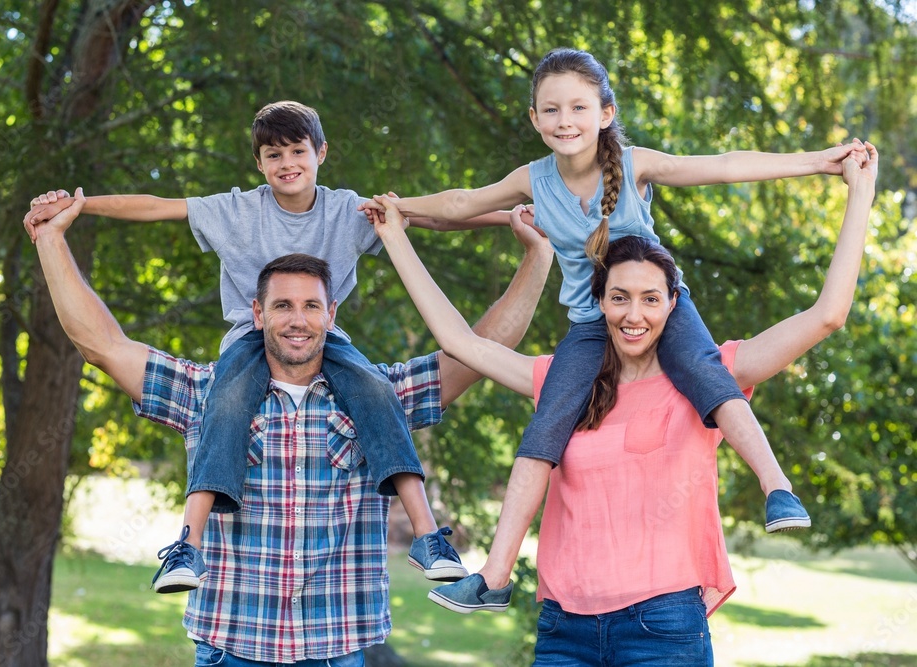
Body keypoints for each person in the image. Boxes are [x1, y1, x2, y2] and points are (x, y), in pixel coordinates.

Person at [369, 143, 876, 664]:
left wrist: (859, 192)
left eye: (651, 299)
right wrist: (395, 237)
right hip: (565, 630)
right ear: (599, 302)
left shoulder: (711, 377)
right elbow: (463, 343)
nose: (634, 315)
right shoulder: (562, 383)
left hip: (663, 628)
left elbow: (827, 315)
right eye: (619, 298)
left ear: (673, 302)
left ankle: (779, 490)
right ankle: (493, 577)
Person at [27, 187, 554, 665]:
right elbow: (103, 346)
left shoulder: (378, 398)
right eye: (282, 306)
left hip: (338, 648)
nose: (297, 320)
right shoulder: (208, 393)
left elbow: (482, 352)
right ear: (256, 314)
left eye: (310, 306)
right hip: (232, 644)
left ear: (331, 314)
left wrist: (537, 255)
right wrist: (51, 240)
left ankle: (428, 539)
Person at [362, 47, 865, 547]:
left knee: (704, 371)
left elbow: (725, 164)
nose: (565, 121)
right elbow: (459, 204)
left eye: (579, 107)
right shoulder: (531, 180)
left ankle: (777, 487)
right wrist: (397, 208)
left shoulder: (633, 165)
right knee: (549, 419)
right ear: (535, 118)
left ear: (605, 114)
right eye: (552, 110)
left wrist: (819, 162)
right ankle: (493, 574)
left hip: (660, 311)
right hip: (589, 323)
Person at [23, 100, 509, 593]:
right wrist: (80, 206)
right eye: (273, 155)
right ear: (259, 162)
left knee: (378, 393)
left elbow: (439, 215)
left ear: (321, 152)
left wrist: (511, 217)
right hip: (248, 341)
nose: (287, 164)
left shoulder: (348, 209)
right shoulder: (236, 209)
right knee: (226, 404)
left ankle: (428, 537)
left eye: (298, 150)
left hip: (327, 340)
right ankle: (187, 545)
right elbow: (154, 206)